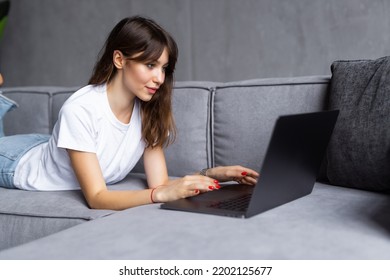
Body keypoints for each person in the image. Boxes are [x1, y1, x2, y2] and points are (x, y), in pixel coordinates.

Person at [0, 16, 259, 210]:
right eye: (150, 65)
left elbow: (158, 183)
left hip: (49, 146)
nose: (159, 78)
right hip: (17, 162)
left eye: (164, 68)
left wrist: (211, 175)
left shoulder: (148, 110)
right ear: (119, 60)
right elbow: (97, 198)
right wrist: (159, 196)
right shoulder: (81, 109)